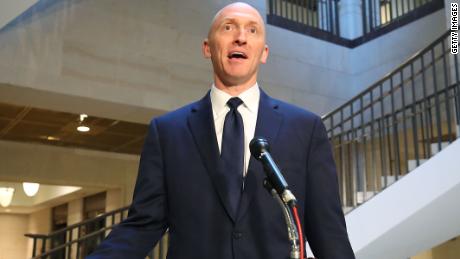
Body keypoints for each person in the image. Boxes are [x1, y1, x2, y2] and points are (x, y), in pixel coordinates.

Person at [87, 2, 354, 259]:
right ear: (207, 48)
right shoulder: (167, 132)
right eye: (228, 27)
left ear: (264, 53)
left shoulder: (306, 129)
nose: (240, 37)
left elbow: (328, 232)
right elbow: (143, 224)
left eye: (252, 30)